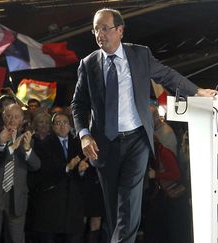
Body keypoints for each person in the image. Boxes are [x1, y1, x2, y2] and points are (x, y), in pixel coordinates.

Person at [70, 8, 218, 243]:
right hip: (103, 145)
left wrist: (198, 91)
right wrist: (84, 134)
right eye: (96, 29)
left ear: (119, 30)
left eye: (105, 28)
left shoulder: (140, 55)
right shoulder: (88, 64)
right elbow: (78, 104)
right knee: (113, 211)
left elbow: (168, 76)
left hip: (137, 140)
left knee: (128, 208)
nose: (100, 34)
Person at [0, 104, 41, 243]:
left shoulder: (27, 140)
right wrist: (4, 144)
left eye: (16, 117)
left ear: (22, 120)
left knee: (16, 238)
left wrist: (27, 149)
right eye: (9, 116)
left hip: (17, 196)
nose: (12, 120)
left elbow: (36, 166)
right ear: (3, 117)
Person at [30, 112, 85, 243]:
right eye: (58, 123)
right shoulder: (44, 145)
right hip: (52, 205)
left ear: (70, 125)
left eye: (65, 122)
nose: (62, 126)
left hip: (73, 205)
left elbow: (84, 171)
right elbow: (44, 171)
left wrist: (82, 170)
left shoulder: (79, 144)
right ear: (52, 127)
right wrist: (67, 167)